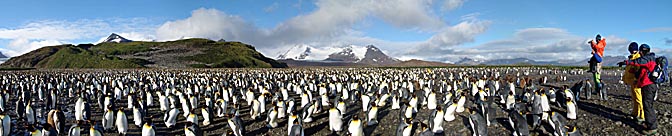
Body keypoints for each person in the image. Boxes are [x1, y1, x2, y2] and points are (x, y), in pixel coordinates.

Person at [618, 44, 657, 135]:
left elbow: (638, 61)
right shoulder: (648, 58)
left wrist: (627, 62)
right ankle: (649, 124)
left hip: (648, 85)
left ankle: (652, 127)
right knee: (646, 104)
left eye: (640, 51)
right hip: (646, 84)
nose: (639, 53)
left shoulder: (647, 59)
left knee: (647, 106)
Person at [621, 42, 645, 123]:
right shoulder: (631, 58)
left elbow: (639, 71)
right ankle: (635, 113)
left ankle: (642, 115)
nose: (631, 51)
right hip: (631, 81)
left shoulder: (638, 58)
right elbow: (628, 70)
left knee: (639, 99)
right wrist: (624, 79)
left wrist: (636, 79)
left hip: (636, 82)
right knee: (634, 98)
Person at [588, 34, 606, 99]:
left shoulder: (601, 44)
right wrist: (591, 44)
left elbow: (597, 47)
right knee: (595, 78)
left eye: (597, 39)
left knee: (597, 78)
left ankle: (599, 91)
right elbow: (594, 47)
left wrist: (592, 43)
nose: (597, 40)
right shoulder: (598, 44)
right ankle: (597, 89)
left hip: (597, 63)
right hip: (595, 62)